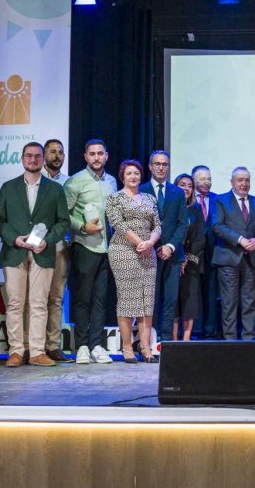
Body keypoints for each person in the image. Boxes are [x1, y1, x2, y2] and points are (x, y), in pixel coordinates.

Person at [0, 142, 71, 367]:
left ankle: (37, 351)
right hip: (15, 252)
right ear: (22, 159)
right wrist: (14, 239)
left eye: (37, 156)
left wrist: (47, 241)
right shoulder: (8, 187)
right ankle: (17, 351)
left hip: (43, 253)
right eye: (29, 156)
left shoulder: (54, 189)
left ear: (42, 159)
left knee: (39, 303)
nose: (33, 159)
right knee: (15, 304)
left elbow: (63, 222)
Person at [63, 139, 118, 365]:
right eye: (92, 154)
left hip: (107, 248)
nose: (96, 157)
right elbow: (63, 214)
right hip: (84, 246)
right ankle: (82, 346)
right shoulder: (75, 182)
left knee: (100, 299)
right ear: (85, 156)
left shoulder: (112, 181)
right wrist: (82, 227)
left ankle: (96, 345)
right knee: (83, 299)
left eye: (100, 153)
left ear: (106, 156)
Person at [106, 159, 162, 363]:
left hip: (148, 252)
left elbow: (157, 225)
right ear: (122, 176)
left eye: (136, 173)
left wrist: (151, 242)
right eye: (129, 173)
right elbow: (118, 224)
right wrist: (140, 243)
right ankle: (127, 348)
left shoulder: (149, 198)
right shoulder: (115, 198)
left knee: (147, 300)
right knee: (128, 299)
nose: (133, 176)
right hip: (123, 251)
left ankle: (146, 348)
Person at [210, 167, 255, 340]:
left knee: (250, 302)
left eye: (247, 180)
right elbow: (217, 226)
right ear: (232, 182)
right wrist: (240, 239)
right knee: (229, 302)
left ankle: (248, 339)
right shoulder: (221, 200)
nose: (244, 184)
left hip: (251, 259)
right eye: (240, 180)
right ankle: (230, 341)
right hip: (229, 258)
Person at [140, 150, 189, 349]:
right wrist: (151, 245)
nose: (161, 168)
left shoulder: (177, 192)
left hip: (172, 255)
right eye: (157, 164)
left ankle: (166, 342)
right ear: (150, 166)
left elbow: (182, 223)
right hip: (147, 254)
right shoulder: (141, 190)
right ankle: (148, 341)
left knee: (170, 300)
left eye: (164, 164)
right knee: (149, 300)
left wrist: (170, 246)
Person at [41, 138, 74, 362]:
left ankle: (53, 346)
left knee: (56, 297)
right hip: (36, 244)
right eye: (52, 152)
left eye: (60, 152)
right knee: (34, 298)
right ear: (44, 155)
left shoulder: (69, 182)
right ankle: (31, 346)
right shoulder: (34, 179)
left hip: (60, 245)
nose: (57, 156)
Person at [172, 173, 203, 341]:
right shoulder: (170, 207)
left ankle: (186, 338)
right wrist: (177, 257)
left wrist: (186, 258)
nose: (186, 188)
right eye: (182, 185)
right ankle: (173, 339)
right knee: (173, 300)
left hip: (190, 263)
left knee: (189, 301)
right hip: (171, 259)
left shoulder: (196, 208)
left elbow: (200, 237)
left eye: (190, 186)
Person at [191, 165, 221, 338]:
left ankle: (209, 333)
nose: (206, 182)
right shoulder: (186, 198)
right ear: (194, 180)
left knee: (210, 296)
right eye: (202, 179)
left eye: (209, 179)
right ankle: (187, 333)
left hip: (212, 256)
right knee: (190, 295)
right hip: (191, 256)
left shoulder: (218, 200)